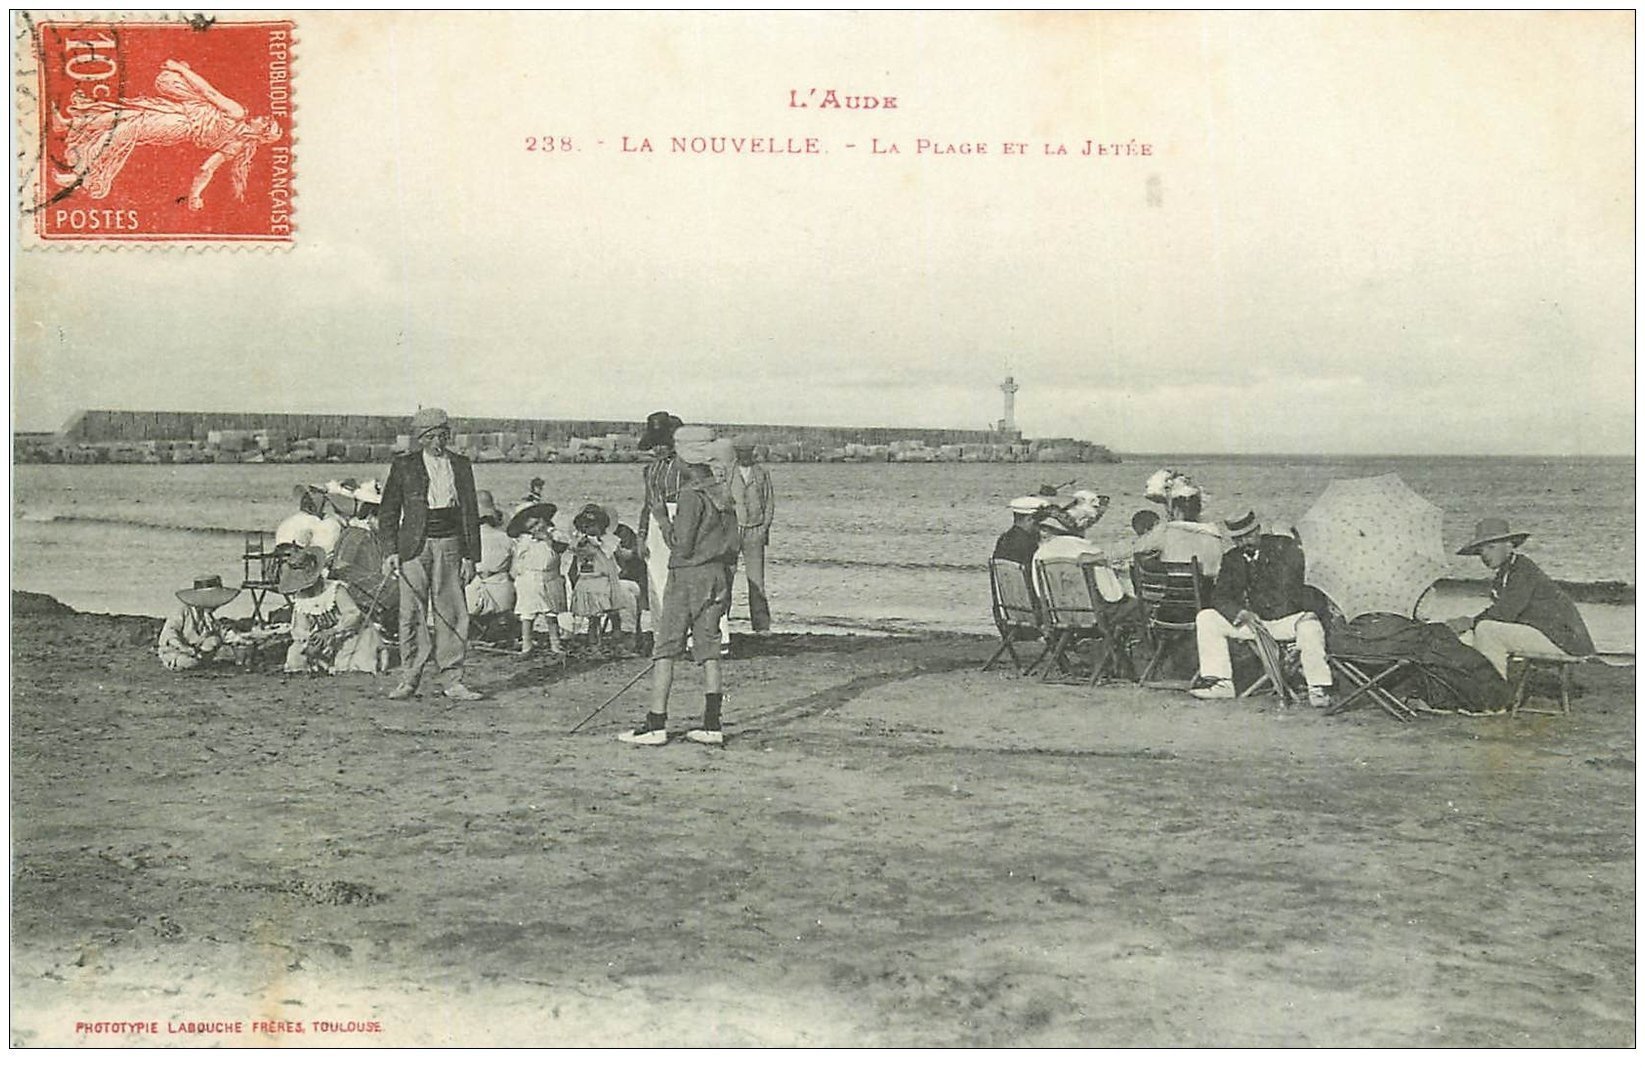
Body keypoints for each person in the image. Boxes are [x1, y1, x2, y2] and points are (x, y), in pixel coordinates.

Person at [619, 430, 741, 747]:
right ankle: (712, 724)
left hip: (688, 576)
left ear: (687, 458)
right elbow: (732, 544)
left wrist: (661, 518)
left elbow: (681, 546)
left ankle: (656, 723)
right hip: (717, 576)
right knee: (709, 649)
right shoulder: (723, 492)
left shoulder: (691, 495)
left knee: (666, 647)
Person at [54, 59, 282, 209]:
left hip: (177, 123)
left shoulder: (238, 112)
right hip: (176, 115)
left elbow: (208, 92)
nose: (262, 117)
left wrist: (182, 70)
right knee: (122, 115)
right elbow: (206, 170)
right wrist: (194, 196)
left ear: (260, 132)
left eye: (265, 122)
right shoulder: (236, 146)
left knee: (120, 132)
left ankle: (80, 176)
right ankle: (68, 125)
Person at [379, 406, 484, 701]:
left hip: (450, 544)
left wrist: (471, 556)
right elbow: (388, 512)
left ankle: (453, 680)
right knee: (410, 612)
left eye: (442, 436)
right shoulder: (404, 466)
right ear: (421, 439)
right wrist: (390, 551)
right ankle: (409, 678)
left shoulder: (461, 465)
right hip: (413, 546)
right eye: (431, 438)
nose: (438, 443)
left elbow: (470, 512)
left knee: (451, 610)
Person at [1190, 509, 1333, 708]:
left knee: (1310, 627)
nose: (1244, 543)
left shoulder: (1284, 547)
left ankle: (1318, 688)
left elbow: (1311, 582)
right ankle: (1221, 683)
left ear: (1258, 530)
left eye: (1248, 536)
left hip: (1289, 620)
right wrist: (1240, 613)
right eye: (1238, 539)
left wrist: (1310, 611)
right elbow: (1220, 596)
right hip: (1256, 623)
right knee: (1206, 617)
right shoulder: (1232, 558)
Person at [1446, 517, 1595, 679]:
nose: (1485, 554)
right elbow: (1504, 613)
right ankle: (1468, 692)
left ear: (1509, 546)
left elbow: (1505, 613)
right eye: (1481, 550)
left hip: (1564, 641)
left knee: (1486, 630)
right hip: (1546, 635)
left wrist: (1469, 621)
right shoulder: (1506, 573)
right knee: (1468, 637)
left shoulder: (1522, 568)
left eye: (1491, 547)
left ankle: (1492, 698)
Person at [280, 546, 384, 675]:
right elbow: (300, 628)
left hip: (350, 632)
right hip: (324, 638)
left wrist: (332, 632)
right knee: (296, 656)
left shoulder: (335, 590)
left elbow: (353, 615)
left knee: (351, 663)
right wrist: (311, 639)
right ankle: (320, 663)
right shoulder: (302, 598)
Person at [569, 503, 644, 651]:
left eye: (593, 525)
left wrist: (633, 553)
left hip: (606, 580)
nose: (590, 529)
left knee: (613, 612)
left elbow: (621, 554)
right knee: (593, 616)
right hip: (590, 581)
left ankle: (618, 637)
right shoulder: (581, 543)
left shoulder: (609, 541)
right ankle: (594, 644)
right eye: (586, 526)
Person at [329, 478, 398, 633]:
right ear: (370, 516)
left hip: (354, 584)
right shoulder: (360, 536)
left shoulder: (359, 533)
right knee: (399, 590)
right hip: (354, 589)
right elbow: (344, 568)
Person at [637, 410, 685, 627]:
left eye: (662, 443)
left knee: (680, 576)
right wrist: (641, 536)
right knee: (656, 579)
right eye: (654, 444)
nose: (657, 448)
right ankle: (661, 632)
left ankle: (684, 631)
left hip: (681, 519)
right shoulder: (650, 469)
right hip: (655, 525)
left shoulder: (684, 467)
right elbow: (647, 504)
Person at [728, 437, 776, 634]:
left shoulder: (762, 473)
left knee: (756, 581)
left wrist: (764, 527)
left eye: (747, 452)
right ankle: (721, 623)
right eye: (740, 452)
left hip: (755, 530)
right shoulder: (728, 472)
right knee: (726, 578)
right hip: (732, 530)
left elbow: (769, 502)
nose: (744, 456)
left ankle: (761, 626)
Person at [507, 501, 567, 656]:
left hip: (550, 577)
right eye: (531, 527)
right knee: (527, 614)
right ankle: (526, 644)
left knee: (551, 613)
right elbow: (517, 561)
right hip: (529, 579)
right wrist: (516, 573)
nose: (536, 528)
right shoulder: (524, 541)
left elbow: (562, 547)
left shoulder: (554, 534)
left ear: (544, 519)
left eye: (538, 523)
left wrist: (548, 539)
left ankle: (555, 642)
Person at [156, 574, 238, 670]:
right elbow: (170, 634)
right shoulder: (183, 611)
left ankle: (202, 662)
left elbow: (222, 633)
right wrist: (184, 648)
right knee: (189, 662)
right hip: (176, 650)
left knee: (214, 640)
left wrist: (240, 639)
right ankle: (191, 662)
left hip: (197, 650)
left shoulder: (207, 617)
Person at [465, 490, 517, 620]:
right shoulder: (507, 539)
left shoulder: (467, 541)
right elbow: (514, 572)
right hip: (502, 590)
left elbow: (466, 573)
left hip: (474, 590)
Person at [993, 496, 1047, 567]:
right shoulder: (1029, 544)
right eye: (1037, 523)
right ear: (1029, 519)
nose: (1039, 528)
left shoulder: (1003, 539)